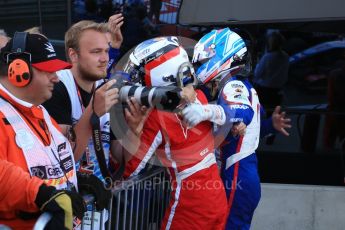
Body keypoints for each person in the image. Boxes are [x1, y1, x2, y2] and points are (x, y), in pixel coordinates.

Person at [181, 28, 291, 230]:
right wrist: (270, 127)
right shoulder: (240, 85)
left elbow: (241, 112)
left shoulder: (234, 86)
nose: (199, 68)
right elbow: (248, 127)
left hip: (238, 176)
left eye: (203, 62)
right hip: (242, 175)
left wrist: (206, 112)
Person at [122, 36, 228, 229]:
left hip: (190, 207)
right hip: (218, 198)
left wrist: (134, 130)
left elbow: (129, 171)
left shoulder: (156, 117)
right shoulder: (202, 97)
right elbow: (230, 116)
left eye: (140, 73)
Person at [0, 32, 86, 229]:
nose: (56, 78)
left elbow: (49, 163)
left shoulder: (39, 111)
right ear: (18, 69)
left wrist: (78, 180)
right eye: (48, 71)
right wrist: (41, 194)